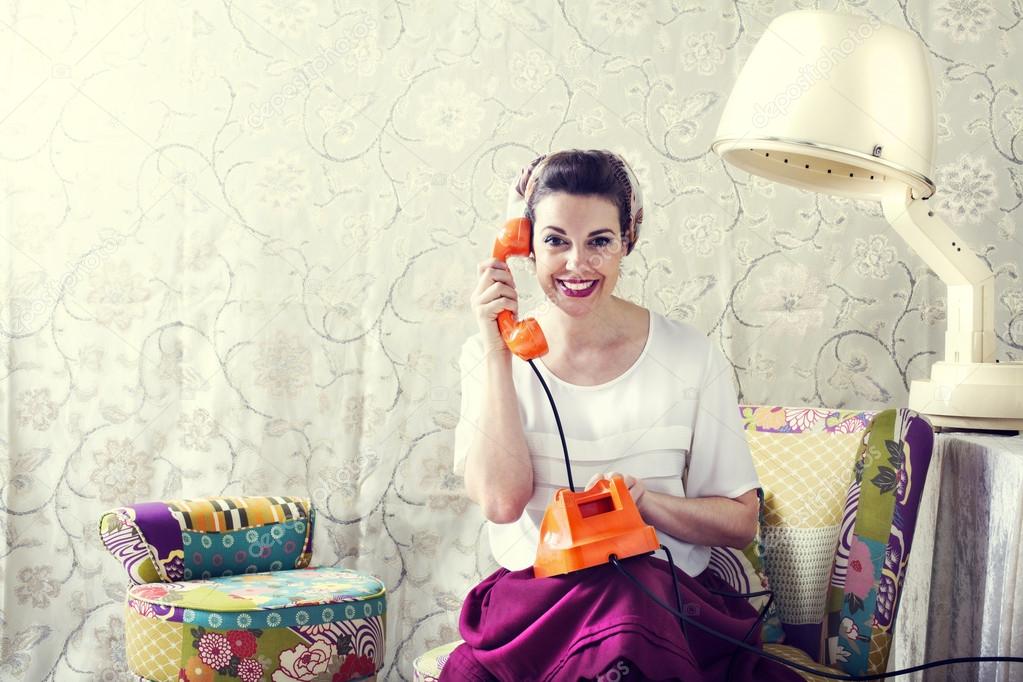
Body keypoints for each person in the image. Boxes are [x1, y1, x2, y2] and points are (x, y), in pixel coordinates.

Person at [446, 149, 801, 681]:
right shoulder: (489, 358)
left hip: (663, 600)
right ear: (523, 244)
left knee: (631, 598)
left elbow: (740, 521)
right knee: (614, 609)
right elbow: (501, 503)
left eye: (599, 242)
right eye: (555, 240)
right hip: (545, 606)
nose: (576, 264)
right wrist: (497, 349)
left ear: (627, 240)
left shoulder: (689, 355)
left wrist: (647, 506)